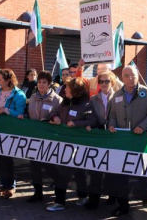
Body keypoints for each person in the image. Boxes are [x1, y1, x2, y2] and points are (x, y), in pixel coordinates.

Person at [108, 65, 147, 216]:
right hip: (122, 141)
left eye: (133, 75)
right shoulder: (116, 94)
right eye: (126, 76)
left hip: (140, 140)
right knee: (121, 174)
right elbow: (111, 116)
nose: (130, 78)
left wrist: (142, 126)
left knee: (141, 173)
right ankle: (123, 205)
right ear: (122, 77)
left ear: (138, 75)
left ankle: (145, 196)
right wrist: (112, 125)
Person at [46, 77, 96, 211]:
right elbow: (54, 112)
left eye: (68, 87)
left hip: (78, 145)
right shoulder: (64, 102)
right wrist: (54, 117)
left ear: (76, 90)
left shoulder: (86, 105)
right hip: (62, 144)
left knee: (80, 172)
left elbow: (92, 120)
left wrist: (76, 124)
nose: (65, 89)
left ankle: (82, 196)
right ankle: (59, 202)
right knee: (60, 173)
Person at [26, 71, 63, 202]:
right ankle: (38, 192)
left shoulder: (57, 99)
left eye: (44, 82)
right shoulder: (33, 97)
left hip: (50, 140)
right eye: (39, 82)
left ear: (49, 84)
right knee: (35, 166)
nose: (41, 84)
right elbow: (28, 114)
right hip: (34, 138)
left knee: (50, 168)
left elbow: (60, 117)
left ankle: (58, 194)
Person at [0, 69, 26, 199]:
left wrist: (6, 110)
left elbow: (20, 113)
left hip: (12, 130)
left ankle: (11, 186)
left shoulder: (19, 95)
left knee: (9, 159)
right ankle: (4, 185)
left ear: (8, 80)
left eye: (0, 80)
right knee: (1, 159)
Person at [85, 71, 117, 210]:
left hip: (113, 136)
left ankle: (112, 197)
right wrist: (89, 124)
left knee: (112, 170)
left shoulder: (118, 97)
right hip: (98, 137)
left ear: (112, 82)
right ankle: (93, 200)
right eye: (101, 81)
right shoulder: (93, 99)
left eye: (107, 81)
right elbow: (90, 115)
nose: (104, 84)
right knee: (95, 170)